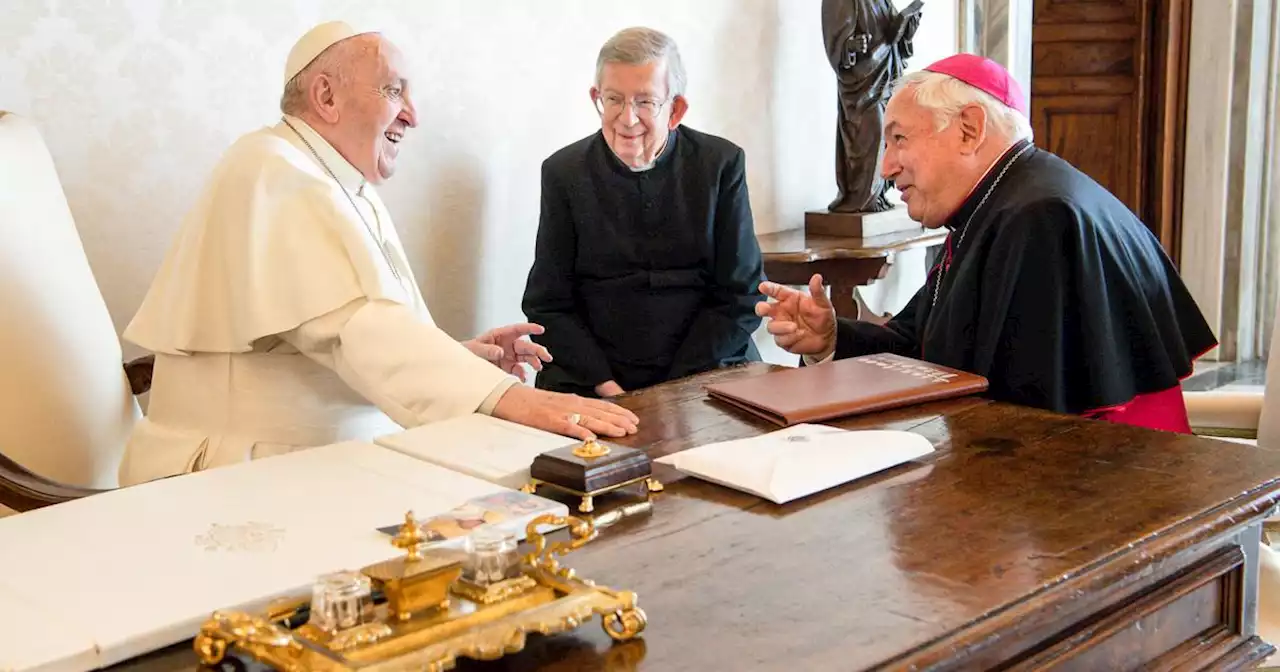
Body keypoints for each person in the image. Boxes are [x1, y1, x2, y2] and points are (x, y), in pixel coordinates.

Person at [118, 21, 638, 486]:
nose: (412, 115)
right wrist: (514, 397)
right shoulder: (273, 170)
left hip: (317, 455)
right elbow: (355, 329)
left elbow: (330, 333)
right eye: (394, 91)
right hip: (239, 472)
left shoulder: (334, 180)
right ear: (326, 95)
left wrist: (459, 357)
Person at [756, 54, 1217, 432]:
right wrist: (833, 337)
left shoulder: (1037, 218)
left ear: (969, 130)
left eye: (898, 139)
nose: (886, 167)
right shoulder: (1000, 205)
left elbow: (1024, 419)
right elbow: (920, 344)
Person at [521, 27, 765, 399]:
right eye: (614, 100)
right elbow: (548, 303)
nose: (627, 119)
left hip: (704, 369)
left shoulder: (721, 165)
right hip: (595, 377)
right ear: (596, 98)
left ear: (676, 110)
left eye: (645, 102)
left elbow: (741, 295)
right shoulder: (563, 173)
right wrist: (606, 386)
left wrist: (673, 391)